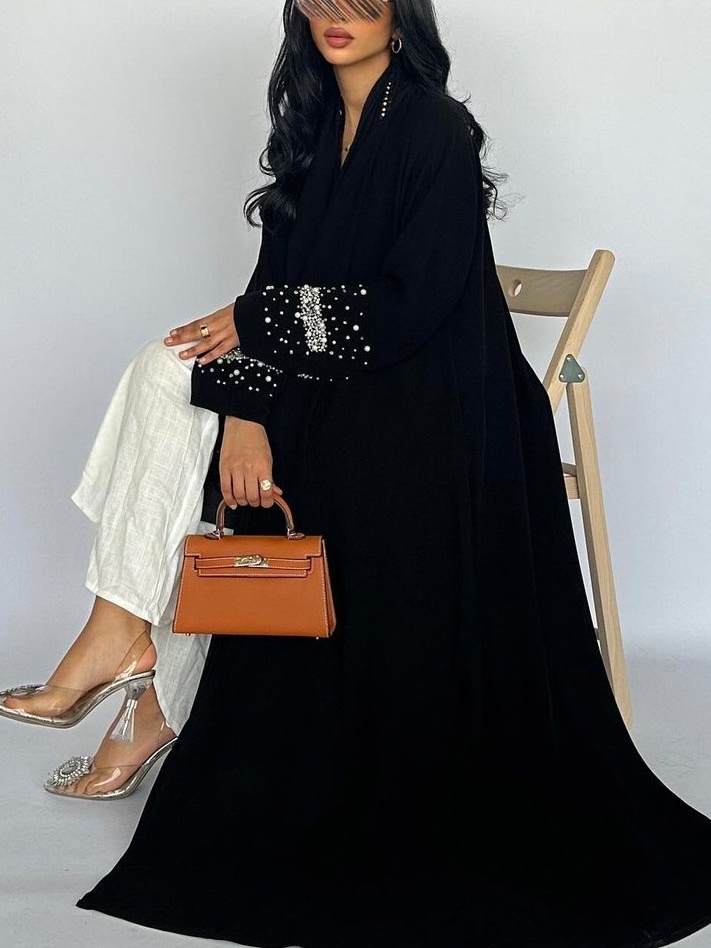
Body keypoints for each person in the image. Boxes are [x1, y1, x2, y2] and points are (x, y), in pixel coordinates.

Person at [5, 0, 711, 944]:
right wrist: (247, 416)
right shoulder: (312, 127)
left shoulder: (432, 128)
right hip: (351, 374)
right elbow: (272, 287)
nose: (339, 14)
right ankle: (131, 649)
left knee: (168, 381)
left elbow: (410, 305)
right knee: (171, 378)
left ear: (400, 13)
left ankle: (127, 646)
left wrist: (251, 335)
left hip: (438, 404)